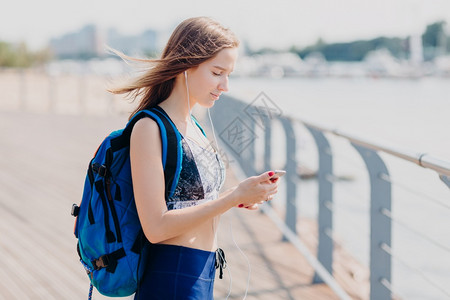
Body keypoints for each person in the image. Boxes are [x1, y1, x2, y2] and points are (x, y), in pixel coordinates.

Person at [110, 16, 280, 299]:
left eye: (229, 74)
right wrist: (230, 197)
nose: (225, 85)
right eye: (217, 72)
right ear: (185, 66)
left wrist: (242, 196)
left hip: (203, 272)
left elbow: (187, 200)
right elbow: (156, 227)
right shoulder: (150, 127)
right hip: (171, 277)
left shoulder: (194, 126)